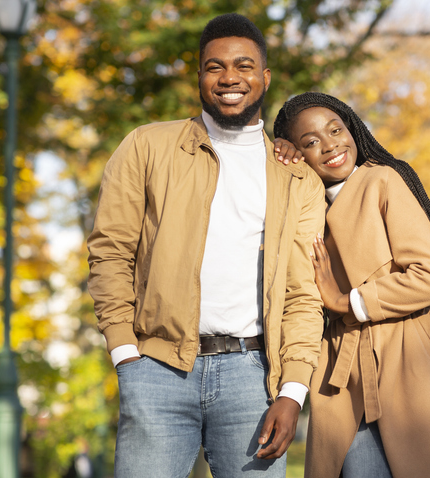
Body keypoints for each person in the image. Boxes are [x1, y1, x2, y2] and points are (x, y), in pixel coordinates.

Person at [86, 15, 325, 477]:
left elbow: (303, 294)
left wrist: (293, 391)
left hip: (253, 378)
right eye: (214, 67)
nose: (230, 78)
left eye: (243, 65)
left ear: (264, 77)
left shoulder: (296, 177)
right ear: (199, 76)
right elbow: (110, 250)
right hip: (155, 368)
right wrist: (124, 352)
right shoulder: (146, 147)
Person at [273, 92, 430, 478]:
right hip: (343, 372)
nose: (330, 145)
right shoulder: (305, 203)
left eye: (336, 129)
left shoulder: (382, 179)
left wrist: (348, 302)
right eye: (309, 143)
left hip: (409, 358)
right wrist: (272, 154)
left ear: (352, 128)